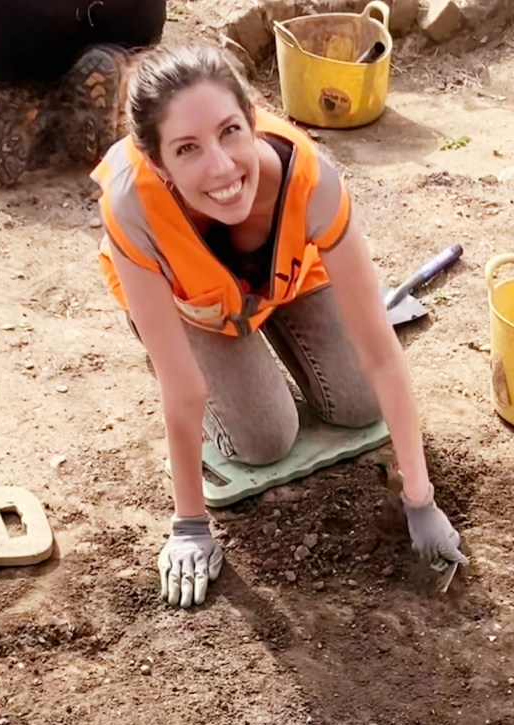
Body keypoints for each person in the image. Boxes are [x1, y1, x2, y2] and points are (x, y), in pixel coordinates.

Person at [91, 43, 468, 610]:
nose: (220, 167)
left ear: (251, 117)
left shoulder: (311, 181)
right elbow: (183, 388)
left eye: (229, 132)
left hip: (285, 282)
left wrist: (420, 498)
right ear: (158, 162)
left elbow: (381, 351)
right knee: (265, 439)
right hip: (191, 304)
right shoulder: (132, 205)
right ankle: (247, 378)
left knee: (364, 403)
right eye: (188, 149)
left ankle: (268, 356)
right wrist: (190, 524)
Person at [0, 0, 166, 185]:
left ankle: (33, 91)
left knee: (26, 52)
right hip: (130, 15)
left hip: (24, 28)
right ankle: (120, 67)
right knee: (127, 50)